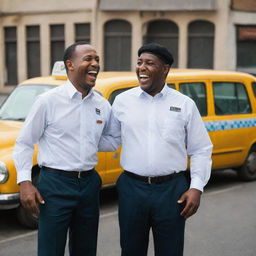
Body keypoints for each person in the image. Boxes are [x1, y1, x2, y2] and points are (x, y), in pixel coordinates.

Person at [13, 42, 118, 256]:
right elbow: (24, 142)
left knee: (85, 250)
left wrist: (87, 141)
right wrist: (24, 182)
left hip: (89, 184)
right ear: (70, 64)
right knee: (51, 250)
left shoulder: (102, 105)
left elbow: (113, 140)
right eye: (88, 59)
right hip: (55, 185)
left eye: (97, 59)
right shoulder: (47, 101)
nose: (95, 64)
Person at [108, 43, 213, 256]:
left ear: (165, 69)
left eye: (149, 63)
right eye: (139, 63)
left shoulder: (184, 104)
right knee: (131, 250)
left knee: (170, 251)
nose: (141, 67)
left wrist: (196, 187)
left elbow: (201, 148)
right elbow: (110, 140)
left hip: (172, 191)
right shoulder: (122, 101)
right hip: (132, 189)